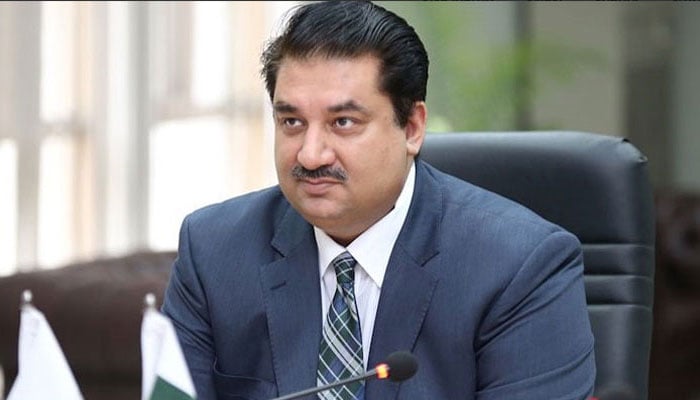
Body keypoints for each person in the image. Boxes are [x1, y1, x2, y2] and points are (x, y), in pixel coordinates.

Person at [162, 1, 596, 399]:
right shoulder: (214, 251)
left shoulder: (518, 266)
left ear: (412, 128)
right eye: (291, 121)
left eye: (343, 122)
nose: (311, 155)